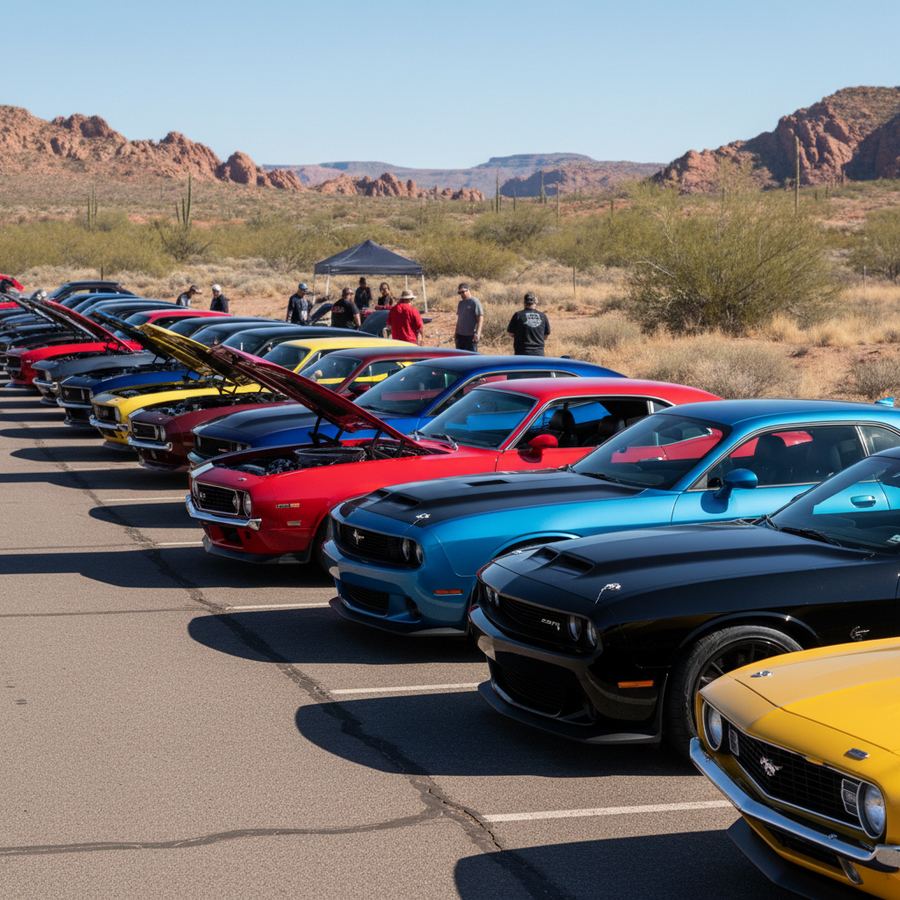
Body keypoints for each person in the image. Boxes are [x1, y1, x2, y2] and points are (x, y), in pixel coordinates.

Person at [454, 283, 483, 352]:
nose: (461, 294)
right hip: (460, 335)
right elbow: (459, 319)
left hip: (471, 336)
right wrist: (456, 333)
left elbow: (480, 318)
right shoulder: (460, 303)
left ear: (468, 290)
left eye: (463, 292)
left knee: (472, 358)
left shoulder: (475, 302)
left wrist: (478, 333)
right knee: (459, 357)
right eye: (460, 292)